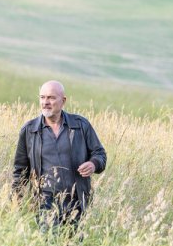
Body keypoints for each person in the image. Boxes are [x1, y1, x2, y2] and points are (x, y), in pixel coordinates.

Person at [12, 80, 106, 231]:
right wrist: (17, 199)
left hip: (76, 202)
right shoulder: (30, 130)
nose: (45, 102)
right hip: (44, 202)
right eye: (42, 97)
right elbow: (20, 169)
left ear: (63, 101)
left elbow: (100, 154)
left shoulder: (81, 125)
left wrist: (94, 163)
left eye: (51, 98)